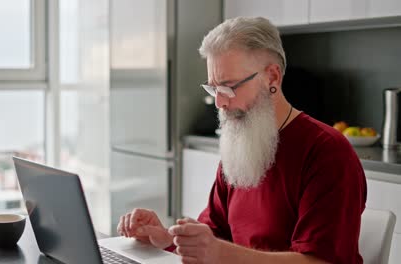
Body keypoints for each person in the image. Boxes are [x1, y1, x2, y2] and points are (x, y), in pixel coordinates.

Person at [117, 17, 366, 264]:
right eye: (213, 89)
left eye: (228, 87)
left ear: (272, 78)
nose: (219, 103)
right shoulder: (242, 144)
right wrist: (168, 240)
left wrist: (220, 253)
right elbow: (213, 237)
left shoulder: (327, 152)